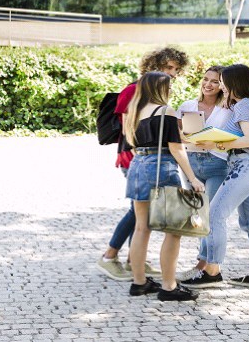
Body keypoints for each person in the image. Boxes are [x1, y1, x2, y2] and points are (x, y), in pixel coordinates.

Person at [96, 47, 189, 281]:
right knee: (137, 214)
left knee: (141, 216)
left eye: (176, 70)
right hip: (136, 157)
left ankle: (133, 262)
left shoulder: (155, 93)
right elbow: (130, 132)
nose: (173, 74)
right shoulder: (132, 91)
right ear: (152, 66)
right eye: (168, 68)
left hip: (144, 157)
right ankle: (110, 256)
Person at [181, 64, 249, 290]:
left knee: (214, 215)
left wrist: (217, 143)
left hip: (248, 166)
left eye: (222, 81)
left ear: (233, 84)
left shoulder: (243, 105)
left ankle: (212, 272)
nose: (220, 85)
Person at [123, 71, 204, 300]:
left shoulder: (135, 112)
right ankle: (169, 287)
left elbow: (134, 144)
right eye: (169, 87)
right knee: (173, 230)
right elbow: (176, 149)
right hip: (160, 168)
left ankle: (138, 283)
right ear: (161, 89)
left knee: (141, 228)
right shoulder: (165, 110)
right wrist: (194, 179)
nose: (171, 91)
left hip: (137, 166)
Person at [175, 66, 231, 281]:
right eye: (206, 79)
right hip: (192, 164)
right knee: (199, 214)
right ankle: (204, 263)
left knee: (211, 215)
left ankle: (205, 264)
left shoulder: (228, 108)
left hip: (217, 164)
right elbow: (177, 133)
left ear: (223, 85)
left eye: (214, 81)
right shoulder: (188, 106)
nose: (208, 84)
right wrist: (185, 136)